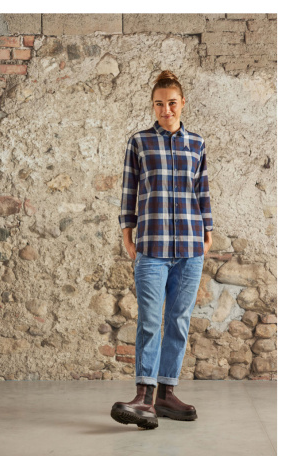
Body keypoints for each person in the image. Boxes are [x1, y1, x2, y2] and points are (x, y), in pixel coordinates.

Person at [111, 70, 214, 430]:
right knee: (150, 321)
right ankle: (144, 396)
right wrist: (127, 233)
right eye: (159, 104)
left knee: (179, 321)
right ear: (152, 106)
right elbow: (129, 190)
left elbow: (202, 190)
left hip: (190, 246)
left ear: (182, 103)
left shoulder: (197, 143)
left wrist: (208, 230)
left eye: (171, 103)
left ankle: (167, 394)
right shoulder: (139, 142)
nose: (165, 110)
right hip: (151, 246)